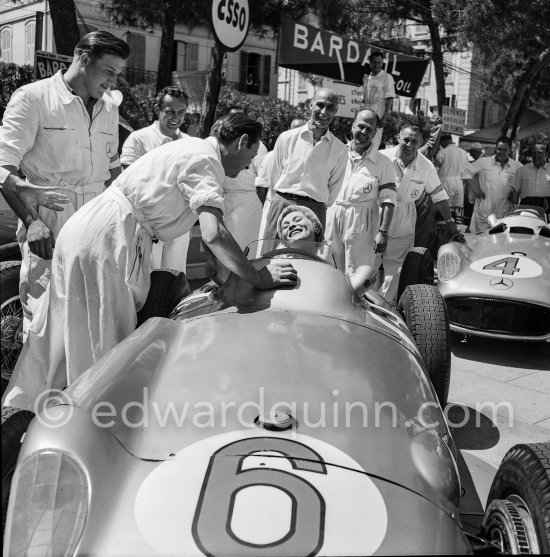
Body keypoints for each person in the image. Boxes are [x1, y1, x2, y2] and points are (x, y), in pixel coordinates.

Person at [3, 113, 298, 411]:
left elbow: (210, 240)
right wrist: (258, 278)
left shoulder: (192, 149)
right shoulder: (206, 160)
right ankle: (92, 425)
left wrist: (227, 279)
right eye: (250, 155)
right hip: (108, 240)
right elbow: (214, 234)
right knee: (104, 350)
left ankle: (24, 417)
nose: (249, 164)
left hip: (94, 231)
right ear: (242, 142)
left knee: (59, 341)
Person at [0, 31, 129, 333]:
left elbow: (113, 173)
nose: (113, 82)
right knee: (46, 318)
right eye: (109, 72)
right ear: (84, 58)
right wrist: (32, 222)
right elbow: (3, 165)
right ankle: (37, 381)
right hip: (49, 219)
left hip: (97, 223)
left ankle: (81, 382)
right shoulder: (33, 98)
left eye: (118, 75)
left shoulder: (109, 108)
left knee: (92, 317)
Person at [378, 124, 461, 305]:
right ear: (398, 137)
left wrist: (450, 223)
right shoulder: (381, 157)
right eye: (406, 139)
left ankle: (383, 306)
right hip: (378, 212)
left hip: (405, 216)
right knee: (369, 260)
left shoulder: (426, 166)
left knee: (397, 268)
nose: (409, 144)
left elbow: (439, 195)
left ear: (421, 142)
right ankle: (361, 301)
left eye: (414, 141)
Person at [256, 88, 347, 250]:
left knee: (306, 262)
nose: (324, 112)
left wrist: (313, 202)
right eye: (320, 105)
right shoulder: (286, 138)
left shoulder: (339, 150)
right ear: (311, 105)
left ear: (336, 111)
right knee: (269, 256)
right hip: (281, 204)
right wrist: (282, 201)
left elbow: (334, 189)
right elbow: (273, 176)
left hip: (315, 209)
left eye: (330, 108)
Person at [121, 86, 191, 274]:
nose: (175, 118)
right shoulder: (138, 139)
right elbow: (127, 184)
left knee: (175, 278)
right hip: (147, 226)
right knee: (145, 280)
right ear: (157, 109)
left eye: (181, 112)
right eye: (169, 112)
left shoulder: (189, 143)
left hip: (179, 226)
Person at [325, 109, 396, 290]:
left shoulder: (383, 163)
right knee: (328, 267)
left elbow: (388, 200)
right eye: (361, 127)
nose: (364, 132)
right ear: (353, 125)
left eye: (369, 129)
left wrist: (383, 232)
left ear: (374, 133)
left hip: (361, 222)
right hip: (332, 215)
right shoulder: (337, 152)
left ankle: (357, 313)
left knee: (357, 273)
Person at [276, 205, 378, 297]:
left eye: (298, 220)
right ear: (285, 241)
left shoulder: (331, 272)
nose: (291, 225)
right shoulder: (277, 267)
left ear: (315, 227)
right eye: (285, 226)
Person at [222, 107, 268, 250]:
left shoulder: (258, 146)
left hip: (249, 204)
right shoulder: (222, 145)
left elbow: (263, 181)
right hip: (224, 200)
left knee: (245, 248)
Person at [463, 135, 522, 233]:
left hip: (504, 210)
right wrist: (477, 190)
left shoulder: (517, 166)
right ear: (495, 148)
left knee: (499, 240)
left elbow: (523, 182)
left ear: (510, 150)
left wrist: (516, 192)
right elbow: (465, 172)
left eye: (504, 150)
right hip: (484, 208)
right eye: (499, 149)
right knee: (479, 239)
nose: (501, 152)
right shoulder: (484, 162)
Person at [362, 51, 395, 151]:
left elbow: (389, 99)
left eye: (379, 63)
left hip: (378, 119)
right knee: (363, 144)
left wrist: (384, 118)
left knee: (373, 145)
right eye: (374, 62)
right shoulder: (367, 78)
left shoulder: (387, 77)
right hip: (365, 117)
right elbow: (364, 99)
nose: (376, 65)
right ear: (370, 62)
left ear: (382, 63)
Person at [434, 134, 470, 222]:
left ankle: (444, 229)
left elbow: (436, 165)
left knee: (446, 208)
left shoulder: (443, 152)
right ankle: (458, 228)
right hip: (459, 183)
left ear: (443, 142)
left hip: (446, 182)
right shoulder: (463, 153)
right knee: (458, 209)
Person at [512, 141, 550, 215]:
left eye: (540, 152)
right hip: (526, 207)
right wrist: (515, 211)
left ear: (546, 154)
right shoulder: (522, 170)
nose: (536, 155)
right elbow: (515, 193)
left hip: (547, 208)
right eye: (534, 153)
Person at [462, 142, 485, 224]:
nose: (470, 155)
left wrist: (477, 191)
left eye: (471, 153)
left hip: (476, 197)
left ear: (475, 152)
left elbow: (465, 175)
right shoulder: (477, 162)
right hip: (474, 196)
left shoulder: (481, 162)